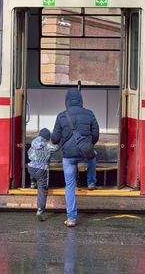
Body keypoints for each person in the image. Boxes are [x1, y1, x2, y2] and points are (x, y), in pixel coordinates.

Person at [51, 88, 99, 227]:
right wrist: (88, 145)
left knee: (70, 186)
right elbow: (96, 134)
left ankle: (71, 218)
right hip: (85, 153)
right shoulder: (89, 114)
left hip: (68, 156)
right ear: (80, 100)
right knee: (92, 155)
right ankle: (91, 183)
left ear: (67, 101)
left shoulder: (61, 116)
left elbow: (55, 138)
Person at [27, 128, 59, 221]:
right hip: (42, 170)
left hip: (31, 168)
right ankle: (40, 210)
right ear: (47, 137)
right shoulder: (48, 146)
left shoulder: (33, 142)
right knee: (42, 189)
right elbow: (56, 148)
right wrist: (61, 142)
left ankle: (32, 183)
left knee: (33, 168)